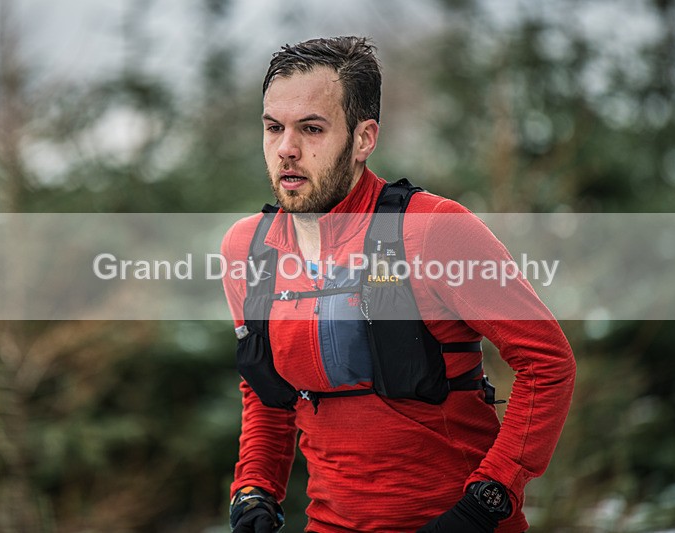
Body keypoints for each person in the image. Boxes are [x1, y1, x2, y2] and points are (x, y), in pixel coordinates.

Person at [221, 36, 575, 533]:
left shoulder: (432, 230)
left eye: (312, 129)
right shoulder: (248, 250)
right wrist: (254, 488)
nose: (287, 149)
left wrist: (487, 501)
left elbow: (547, 362)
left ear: (364, 138)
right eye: (274, 127)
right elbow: (266, 391)